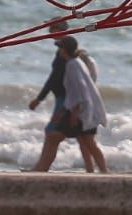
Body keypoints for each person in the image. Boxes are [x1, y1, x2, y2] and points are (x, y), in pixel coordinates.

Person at [26, 23, 100, 172]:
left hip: (67, 100)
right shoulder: (66, 53)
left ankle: (41, 168)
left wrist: (40, 99)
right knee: (82, 137)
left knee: (53, 133)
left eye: (53, 30)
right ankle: (90, 170)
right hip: (68, 100)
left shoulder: (69, 56)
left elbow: (56, 79)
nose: (51, 33)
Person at [59, 36, 108, 174]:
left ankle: (104, 171)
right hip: (87, 108)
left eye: (61, 47)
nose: (59, 51)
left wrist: (75, 112)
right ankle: (90, 171)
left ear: (65, 49)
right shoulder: (76, 62)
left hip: (84, 110)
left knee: (89, 142)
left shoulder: (72, 65)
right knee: (83, 140)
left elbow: (81, 89)